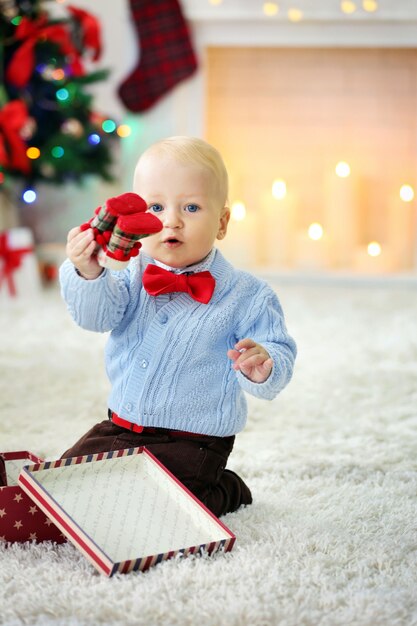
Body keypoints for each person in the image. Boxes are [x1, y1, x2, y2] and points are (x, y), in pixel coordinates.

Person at [59, 136, 297, 518]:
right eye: (156, 206)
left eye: (191, 206)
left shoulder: (247, 294)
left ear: (221, 222)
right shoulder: (131, 273)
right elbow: (95, 318)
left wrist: (264, 363)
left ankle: (225, 488)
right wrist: (89, 272)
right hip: (121, 425)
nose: (171, 220)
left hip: (195, 440)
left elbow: (278, 350)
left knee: (168, 508)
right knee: (68, 483)